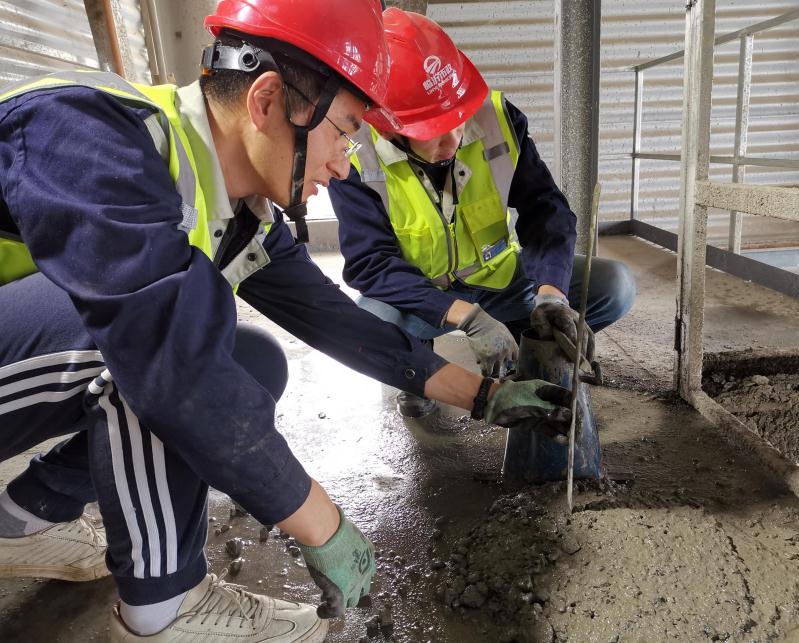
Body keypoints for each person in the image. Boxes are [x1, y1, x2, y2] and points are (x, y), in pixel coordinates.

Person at [0, 1, 575, 641]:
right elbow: (167, 363)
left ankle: (20, 520)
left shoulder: (239, 212)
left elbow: (337, 322)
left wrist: (486, 396)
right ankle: (164, 611)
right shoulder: (87, 131)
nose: (344, 164)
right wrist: (318, 520)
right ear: (269, 101)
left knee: (250, 358)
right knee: (168, 338)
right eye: (343, 131)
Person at [330, 8, 636, 417]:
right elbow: (371, 264)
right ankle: (419, 370)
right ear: (390, 128)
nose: (455, 139)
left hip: (502, 279)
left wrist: (551, 294)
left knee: (614, 285)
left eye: (457, 117)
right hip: (422, 298)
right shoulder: (351, 153)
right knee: (368, 327)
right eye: (434, 131)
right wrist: (465, 317)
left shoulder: (497, 118)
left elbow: (546, 211)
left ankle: (529, 354)